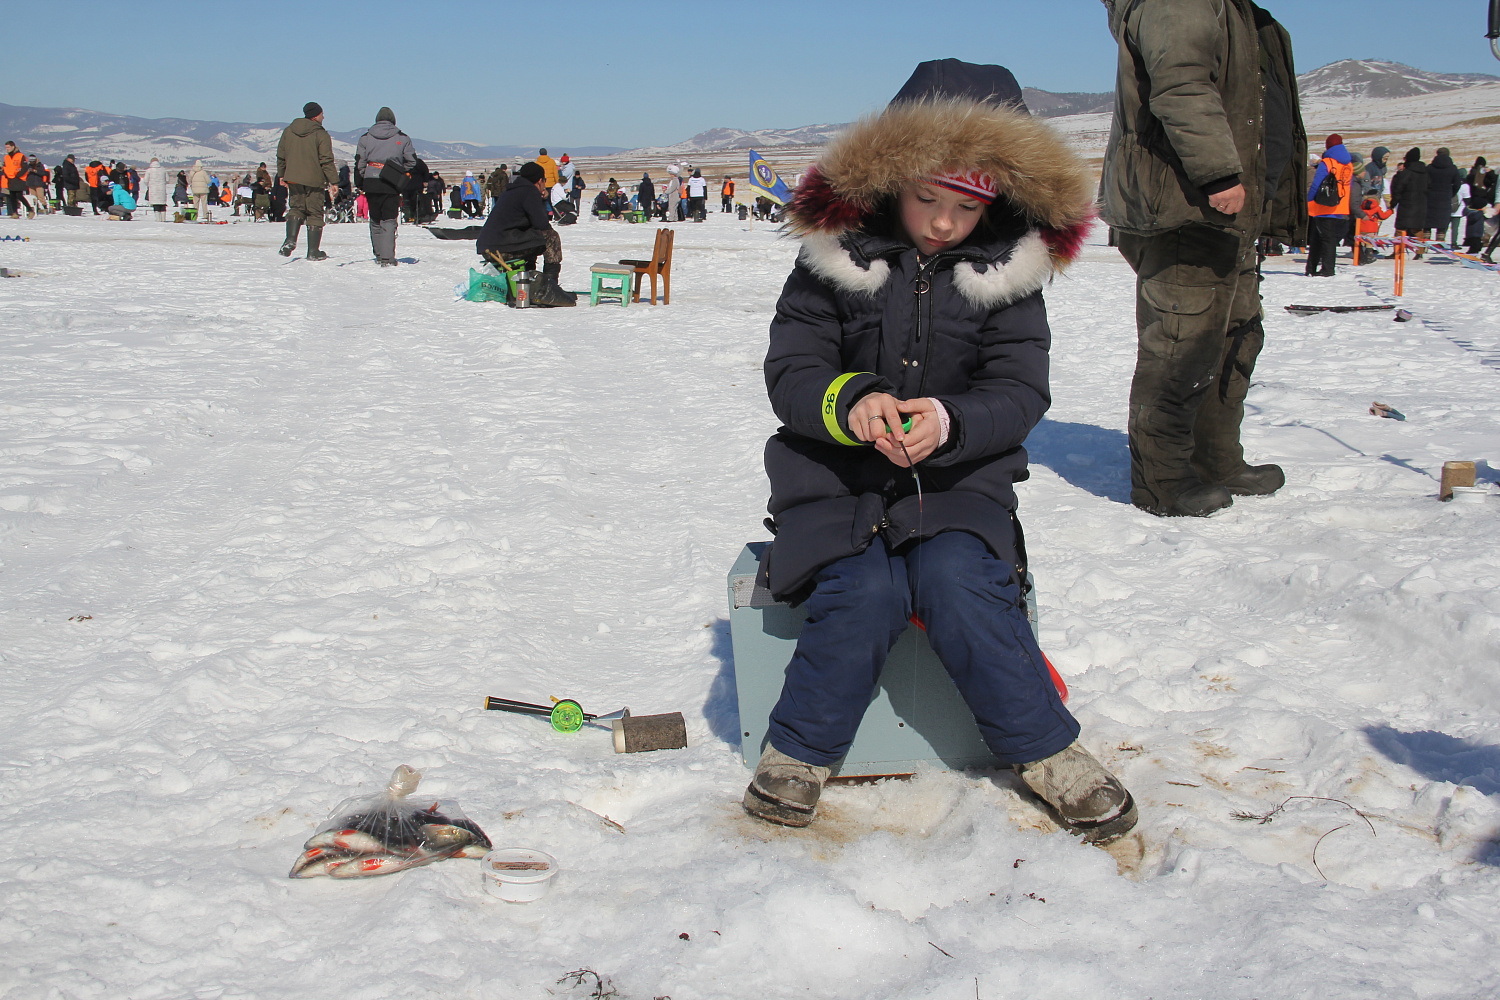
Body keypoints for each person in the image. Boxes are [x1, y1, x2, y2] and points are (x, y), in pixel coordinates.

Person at [743, 59, 1135, 843]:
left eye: (967, 207)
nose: (945, 224)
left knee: (960, 579)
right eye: (928, 199)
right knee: (861, 588)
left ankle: (1048, 752)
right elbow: (793, 369)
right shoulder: (834, 255)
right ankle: (798, 754)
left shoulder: (1010, 276)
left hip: (957, 485)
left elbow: (1019, 390)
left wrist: (953, 422)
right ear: (893, 177)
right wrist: (850, 404)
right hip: (835, 482)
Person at [1099, 0, 1306, 517]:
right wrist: (1217, 172)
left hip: (1230, 218)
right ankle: (1163, 480)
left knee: (1235, 338)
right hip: (1188, 209)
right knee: (1180, 347)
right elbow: (1181, 83)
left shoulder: (1242, 13)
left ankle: (1215, 459)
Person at [475, 161, 576, 306]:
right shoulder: (529, 192)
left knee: (533, 239)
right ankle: (550, 289)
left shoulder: (511, 191)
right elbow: (542, 224)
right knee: (551, 237)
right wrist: (543, 199)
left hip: (489, 247)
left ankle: (531, 284)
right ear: (540, 181)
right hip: (502, 248)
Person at [275, 101, 339, 260]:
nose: (323, 117)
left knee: (296, 208)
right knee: (315, 212)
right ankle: (313, 251)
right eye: (322, 114)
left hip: (293, 178)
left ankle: (290, 239)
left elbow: (281, 155)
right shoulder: (321, 134)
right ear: (316, 115)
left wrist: (282, 175)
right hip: (314, 180)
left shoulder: (289, 131)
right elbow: (326, 160)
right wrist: (334, 181)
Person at [353, 106, 416, 267]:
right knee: (389, 219)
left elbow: (360, 162)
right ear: (393, 120)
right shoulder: (402, 138)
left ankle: (379, 254)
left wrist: (362, 180)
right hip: (391, 182)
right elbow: (412, 161)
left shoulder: (365, 137)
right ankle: (388, 257)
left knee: (375, 219)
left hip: (371, 182)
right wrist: (397, 171)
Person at [1306, 134, 1353, 277]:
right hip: (1340, 206)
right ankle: (1313, 268)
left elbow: (1316, 184)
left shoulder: (1327, 163)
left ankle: (1326, 269)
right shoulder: (1348, 164)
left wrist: (1308, 200)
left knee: (1323, 239)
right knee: (1326, 237)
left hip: (1323, 206)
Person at [1389, 147, 1429, 258]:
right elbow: (1430, 187)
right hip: (1421, 205)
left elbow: (1398, 189)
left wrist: (1393, 203)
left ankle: (1397, 252)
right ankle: (1419, 253)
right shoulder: (1425, 173)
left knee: (1400, 229)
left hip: (1406, 205)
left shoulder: (1406, 173)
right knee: (1418, 229)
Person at [1425, 147, 1461, 253]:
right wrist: (1450, 193)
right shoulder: (1452, 168)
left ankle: (1425, 245)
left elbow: (1424, 182)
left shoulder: (1430, 168)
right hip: (1445, 199)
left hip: (1430, 198)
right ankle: (1439, 246)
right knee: (1442, 224)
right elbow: (1457, 184)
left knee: (1427, 224)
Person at [2, 141, 27, 218]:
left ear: (13, 147)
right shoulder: (6, 157)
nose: (7, 149)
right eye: (6, 147)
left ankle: (30, 209)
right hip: (10, 179)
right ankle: (14, 213)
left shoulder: (20, 156)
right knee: (12, 196)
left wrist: (18, 175)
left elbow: (25, 167)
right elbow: (5, 167)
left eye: (8, 147)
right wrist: (6, 175)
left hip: (18, 179)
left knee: (19, 196)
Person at [140, 156, 169, 221]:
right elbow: (167, 179)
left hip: (153, 189)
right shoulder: (163, 170)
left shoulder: (149, 170)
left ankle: (158, 219)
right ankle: (163, 218)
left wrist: (150, 185)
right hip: (162, 189)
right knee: (162, 204)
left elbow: (145, 180)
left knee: (156, 204)